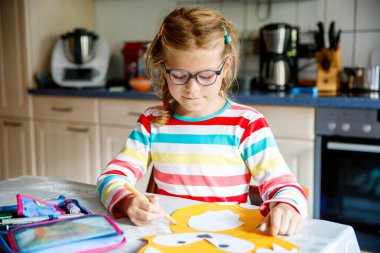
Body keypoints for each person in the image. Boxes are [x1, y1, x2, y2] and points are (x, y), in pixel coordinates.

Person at [97, 7, 307, 236]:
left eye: (206, 76)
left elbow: (286, 187)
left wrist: (287, 206)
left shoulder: (247, 124)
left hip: (228, 239)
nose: (192, 88)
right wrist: (127, 202)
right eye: (178, 75)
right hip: (170, 239)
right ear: (164, 69)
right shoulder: (152, 122)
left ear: (225, 68)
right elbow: (111, 177)